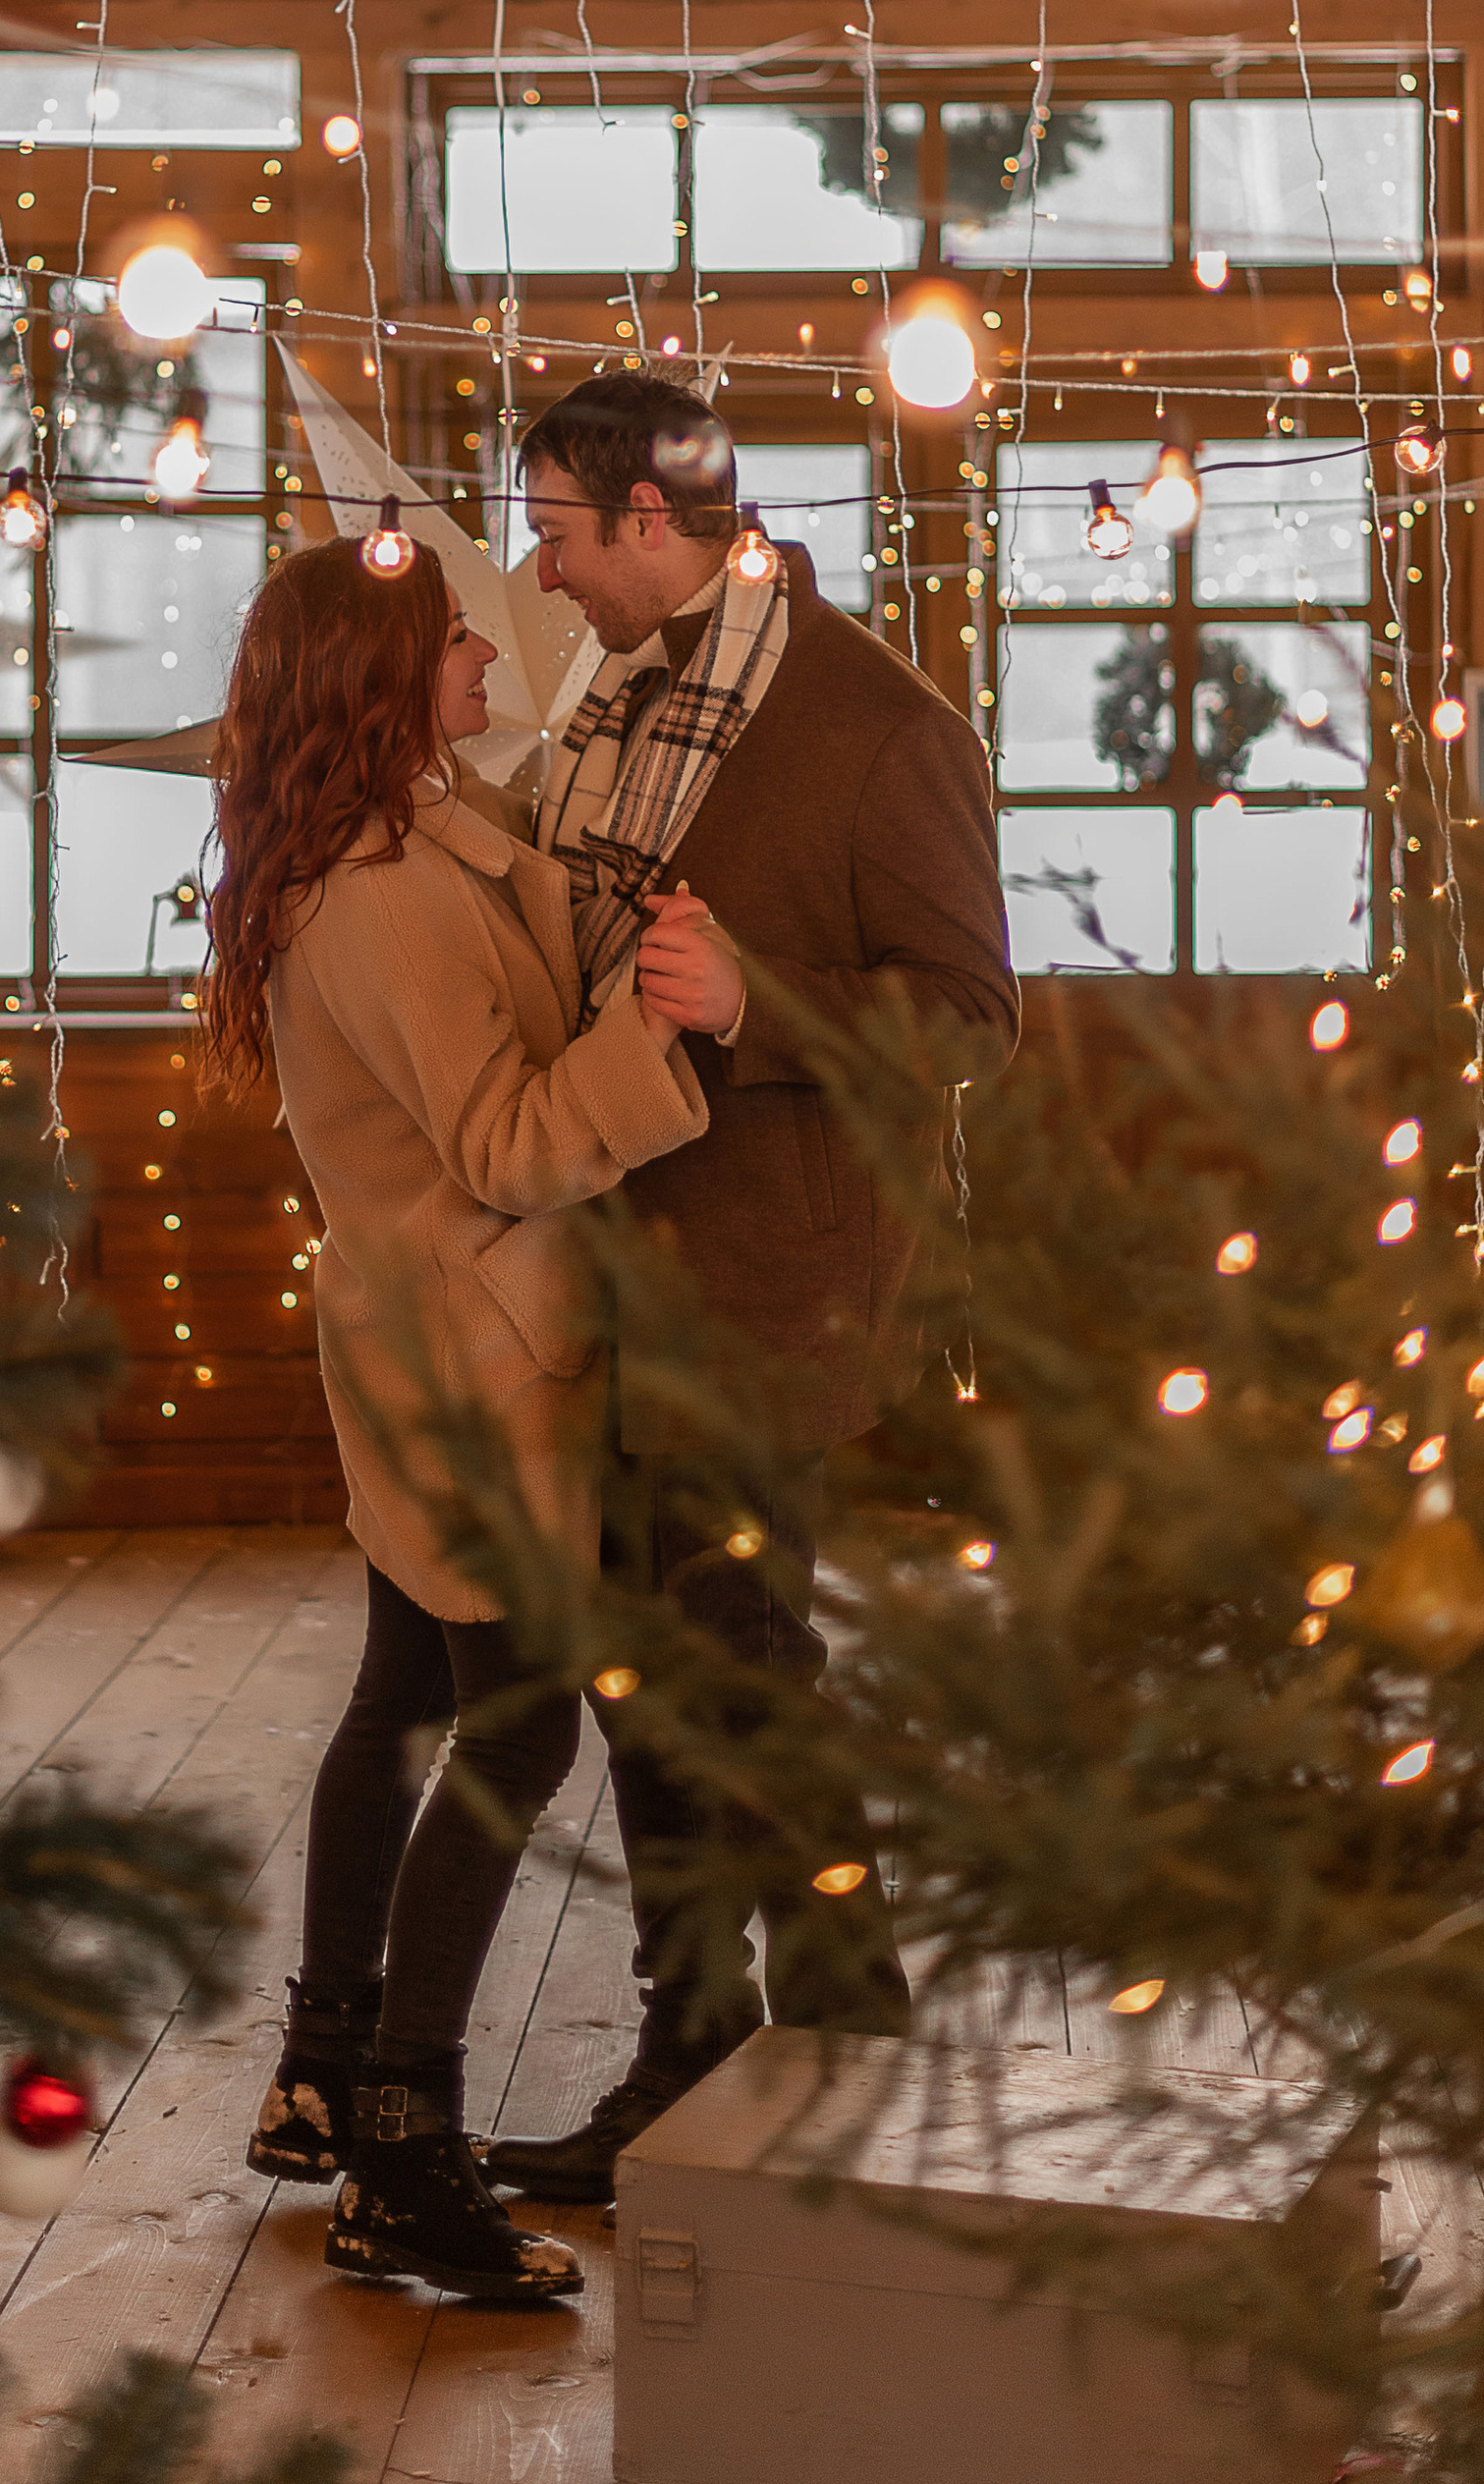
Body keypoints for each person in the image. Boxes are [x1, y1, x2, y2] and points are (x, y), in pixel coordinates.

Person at [479, 366, 1019, 2210]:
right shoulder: (608, 697)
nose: (536, 575)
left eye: (553, 531)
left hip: (767, 1286)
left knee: (747, 1672)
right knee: (659, 1681)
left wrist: (755, 1007)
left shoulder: (876, 723)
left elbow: (970, 1019)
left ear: (648, 524)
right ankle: (703, 2046)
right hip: (593, 1269)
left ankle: (847, 2052)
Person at [199, 528, 715, 2305]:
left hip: (417, 1341)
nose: (489, 666)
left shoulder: (371, 852)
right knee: (518, 1729)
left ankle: (330, 2061)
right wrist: (664, 1046)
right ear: (381, 679)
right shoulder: (388, 891)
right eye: (454, 649)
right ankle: (408, 2143)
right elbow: (502, 1142)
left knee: (403, 1691)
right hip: (484, 1354)